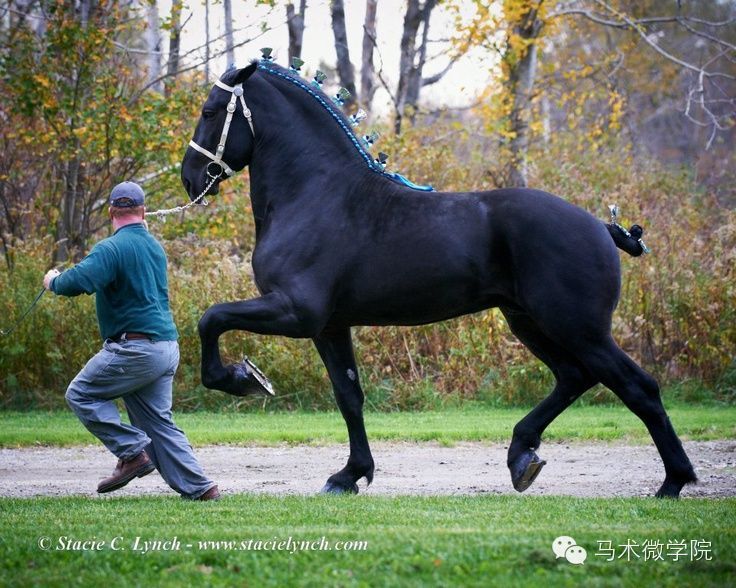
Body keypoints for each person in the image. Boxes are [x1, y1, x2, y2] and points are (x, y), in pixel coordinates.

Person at [43, 181, 220, 501]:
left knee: (81, 393)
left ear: (111, 212)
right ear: (143, 212)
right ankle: (202, 488)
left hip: (134, 350)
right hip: (166, 348)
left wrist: (54, 282)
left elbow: (80, 280)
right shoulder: (154, 247)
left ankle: (132, 453)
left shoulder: (111, 248)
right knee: (158, 424)